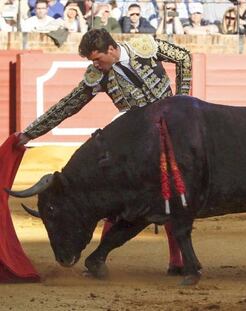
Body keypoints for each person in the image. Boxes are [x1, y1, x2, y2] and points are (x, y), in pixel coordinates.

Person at [17, 28, 192, 274]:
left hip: (168, 136)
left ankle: (177, 261)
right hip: (133, 143)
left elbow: (184, 56)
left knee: (170, 195)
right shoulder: (97, 75)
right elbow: (68, 105)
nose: (95, 65)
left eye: (98, 59)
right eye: (92, 61)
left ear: (111, 49)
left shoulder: (145, 47)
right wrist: (30, 133)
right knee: (118, 201)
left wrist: (182, 102)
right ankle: (100, 258)